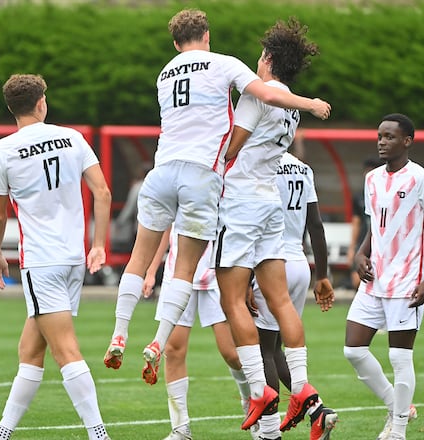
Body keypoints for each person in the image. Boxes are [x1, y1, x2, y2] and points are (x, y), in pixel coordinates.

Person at [103, 8, 331, 387]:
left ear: (176, 44)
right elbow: (262, 94)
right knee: (187, 273)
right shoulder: (224, 63)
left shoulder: (164, 73)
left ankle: (119, 331)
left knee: (138, 262)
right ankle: (159, 342)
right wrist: (310, 104)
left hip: (161, 172)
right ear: (207, 36)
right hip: (214, 180)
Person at [0, 74, 112, 440]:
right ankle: (1, 433)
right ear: (42, 102)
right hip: (73, 259)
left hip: (42, 261)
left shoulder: (3, 150)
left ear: (11, 109)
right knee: (30, 349)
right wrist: (98, 245)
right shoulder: (73, 137)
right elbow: (103, 192)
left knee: (65, 350)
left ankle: (99, 433)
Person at [216, 17, 337, 440]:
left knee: (231, 299)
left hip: (243, 201)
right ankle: (301, 386)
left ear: (267, 58)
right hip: (271, 205)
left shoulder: (259, 97)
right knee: (280, 298)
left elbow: (232, 147)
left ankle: (260, 391)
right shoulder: (289, 109)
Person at [344, 113, 424, 440]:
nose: (382, 142)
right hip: (375, 280)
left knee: (399, 357)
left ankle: (398, 431)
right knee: (354, 350)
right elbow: (375, 227)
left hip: (408, 284)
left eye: (389, 137)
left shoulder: (422, 179)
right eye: (379, 136)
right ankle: (397, 405)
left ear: (407, 141)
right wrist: (361, 254)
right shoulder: (372, 178)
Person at [247, 149, 336, 440]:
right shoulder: (302, 167)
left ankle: (270, 431)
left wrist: (246, 277)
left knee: (263, 350)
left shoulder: (258, 163)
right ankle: (316, 410)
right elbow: (316, 226)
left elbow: (253, 223)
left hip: (271, 263)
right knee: (275, 348)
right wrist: (322, 274)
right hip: (299, 263)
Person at [142, 225, 251, 440]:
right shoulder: (174, 191)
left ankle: (252, 405)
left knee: (232, 353)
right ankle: (180, 429)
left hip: (217, 274)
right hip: (178, 275)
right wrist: (152, 270)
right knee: (173, 350)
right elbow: (164, 227)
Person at [347, 158, 383, 290]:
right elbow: (356, 222)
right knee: (356, 281)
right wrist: (352, 248)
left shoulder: (387, 194)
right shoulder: (359, 197)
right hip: (364, 241)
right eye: (366, 171)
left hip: (380, 243)